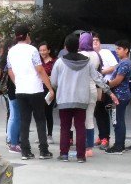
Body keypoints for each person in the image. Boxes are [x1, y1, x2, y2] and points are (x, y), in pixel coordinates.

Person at [50, 32, 118, 163]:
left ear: (66, 47)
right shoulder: (87, 63)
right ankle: (81, 155)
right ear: (78, 46)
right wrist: (109, 92)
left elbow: (53, 82)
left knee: (65, 127)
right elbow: (98, 78)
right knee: (80, 126)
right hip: (82, 99)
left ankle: (64, 154)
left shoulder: (59, 62)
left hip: (64, 99)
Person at [7, 24, 55, 160]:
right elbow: (40, 70)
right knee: (40, 119)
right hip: (35, 89)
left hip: (20, 90)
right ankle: (44, 150)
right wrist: (50, 88)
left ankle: (25, 151)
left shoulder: (11, 51)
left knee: (24, 120)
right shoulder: (32, 50)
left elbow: (10, 71)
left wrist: (18, 83)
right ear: (27, 35)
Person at [105, 40, 131, 154]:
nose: (117, 51)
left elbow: (117, 81)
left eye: (119, 49)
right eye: (116, 48)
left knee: (117, 120)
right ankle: (119, 144)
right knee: (118, 120)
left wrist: (105, 84)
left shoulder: (125, 63)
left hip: (119, 96)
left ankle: (119, 146)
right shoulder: (122, 62)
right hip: (120, 95)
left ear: (126, 50)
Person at [93, 32, 118, 147]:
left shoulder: (106, 53)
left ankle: (105, 138)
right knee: (97, 113)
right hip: (94, 87)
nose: (95, 42)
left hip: (105, 87)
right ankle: (101, 135)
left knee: (104, 112)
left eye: (97, 40)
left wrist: (100, 73)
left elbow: (114, 67)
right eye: (92, 40)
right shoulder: (90, 54)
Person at [78, 32, 101, 155]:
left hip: (80, 90)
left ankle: (81, 145)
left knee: (79, 119)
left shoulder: (79, 55)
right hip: (92, 89)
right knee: (90, 118)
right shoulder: (96, 55)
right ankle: (89, 148)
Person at [38, 43, 56, 142]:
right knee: (40, 113)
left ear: (49, 50)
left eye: (44, 50)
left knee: (48, 112)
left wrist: (49, 78)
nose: (42, 52)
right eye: (40, 50)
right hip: (39, 89)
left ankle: (49, 135)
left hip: (50, 90)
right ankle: (41, 135)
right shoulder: (38, 62)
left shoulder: (54, 62)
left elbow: (57, 76)